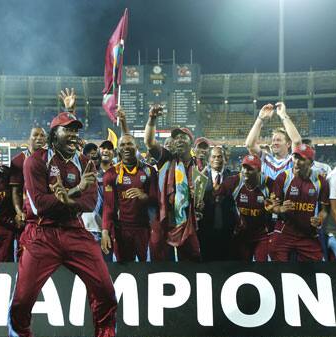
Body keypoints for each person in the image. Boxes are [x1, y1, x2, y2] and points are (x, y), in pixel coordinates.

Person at [0, 111, 128, 337]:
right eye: (67, 130)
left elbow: (90, 202)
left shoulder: (84, 161)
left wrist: (67, 196)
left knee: (105, 290)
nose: (73, 134)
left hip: (74, 231)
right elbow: (41, 205)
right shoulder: (36, 160)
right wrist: (74, 193)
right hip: (41, 233)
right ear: (53, 133)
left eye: (76, 130)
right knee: (21, 300)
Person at [144, 105, 201, 262]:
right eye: (176, 137)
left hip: (188, 220)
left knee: (192, 260)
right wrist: (152, 119)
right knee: (159, 258)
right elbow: (149, 142)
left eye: (184, 137)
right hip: (164, 217)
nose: (179, 140)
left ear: (191, 141)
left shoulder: (198, 166)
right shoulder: (167, 158)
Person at [101, 133, 158, 262]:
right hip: (121, 230)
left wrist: (144, 196)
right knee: (124, 271)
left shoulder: (149, 171)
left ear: (136, 146)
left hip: (144, 229)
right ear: (118, 149)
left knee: (146, 270)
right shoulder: (111, 174)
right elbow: (108, 206)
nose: (126, 147)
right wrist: (105, 231)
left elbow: (157, 201)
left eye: (129, 144)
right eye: (122, 145)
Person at [269, 144, 330, 262]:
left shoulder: (321, 181)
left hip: (308, 233)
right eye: (295, 157)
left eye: (301, 158)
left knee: (318, 267)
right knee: (273, 256)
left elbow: (325, 210)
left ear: (311, 163)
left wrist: (320, 218)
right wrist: (280, 209)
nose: (296, 162)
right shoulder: (283, 178)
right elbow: (271, 206)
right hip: (285, 231)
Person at [215, 154, 274, 262]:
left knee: (263, 267)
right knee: (241, 268)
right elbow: (216, 199)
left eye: (250, 169)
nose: (246, 171)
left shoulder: (269, 184)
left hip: (262, 235)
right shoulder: (233, 181)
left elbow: (278, 205)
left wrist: (274, 208)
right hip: (241, 235)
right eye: (244, 167)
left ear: (259, 171)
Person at [244, 102, 303, 179]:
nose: (274, 143)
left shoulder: (292, 160)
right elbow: (249, 145)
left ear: (288, 144)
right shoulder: (265, 158)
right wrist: (260, 118)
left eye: (278, 140)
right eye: (273, 140)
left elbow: (297, 141)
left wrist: (283, 115)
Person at [197, 146, 236, 261]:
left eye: (220, 156)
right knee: (207, 261)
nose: (217, 159)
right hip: (206, 229)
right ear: (209, 159)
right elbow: (196, 202)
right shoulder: (201, 178)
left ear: (225, 159)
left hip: (228, 229)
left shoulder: (234, 177)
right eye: (213, 157)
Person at [10, 127, 47, 231]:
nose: (39, 138)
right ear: (29, 139)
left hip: (46, 213)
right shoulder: (18, 161)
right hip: (27, 215)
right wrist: (18, 212)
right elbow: (16, 191)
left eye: (42, 135)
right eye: (35, 135)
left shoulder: (50, 159)